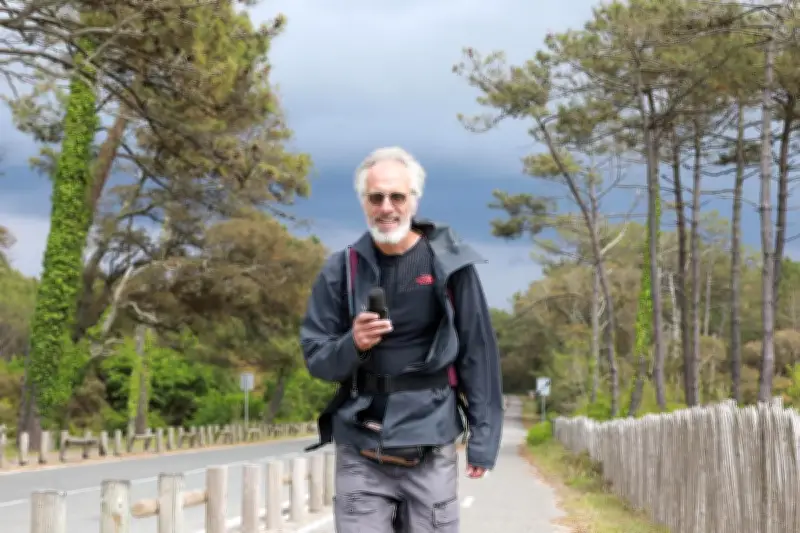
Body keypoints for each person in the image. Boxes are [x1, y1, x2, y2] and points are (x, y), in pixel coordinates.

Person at [300, 147, 504, 532]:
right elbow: (316, 357)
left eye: (397, 196)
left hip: (431, 444)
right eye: (376, 197)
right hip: (361, 446)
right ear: (364, 203)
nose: (387, 207)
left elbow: (478, 354)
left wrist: (484, 439)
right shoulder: (340, 270)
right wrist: (353, 342)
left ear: (414, 199)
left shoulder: (449, 265)